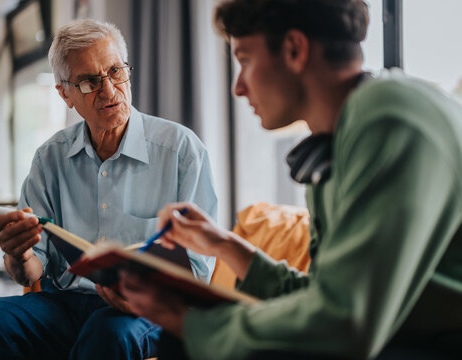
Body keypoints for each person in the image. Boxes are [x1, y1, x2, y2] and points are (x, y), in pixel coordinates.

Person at [119, 0, 462, 359]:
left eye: (245, 60)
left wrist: (190, 325)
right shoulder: (336, 142)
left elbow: (343, 322)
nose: (238, 87)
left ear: (295, 50)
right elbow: (322, 296)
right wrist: (226, 246)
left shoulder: (389, 119)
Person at [0, 19, 217, 360]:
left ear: (127, 72)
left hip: (147, 309)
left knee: (108, 332)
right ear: (65, 94)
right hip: (62, 304)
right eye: (90, 81)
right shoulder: (49, 158)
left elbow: (198, 268)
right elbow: (33, 270)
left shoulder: (181, 150)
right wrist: (18, 255)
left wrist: (146, 296)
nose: (109, 90)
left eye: (115, 72)